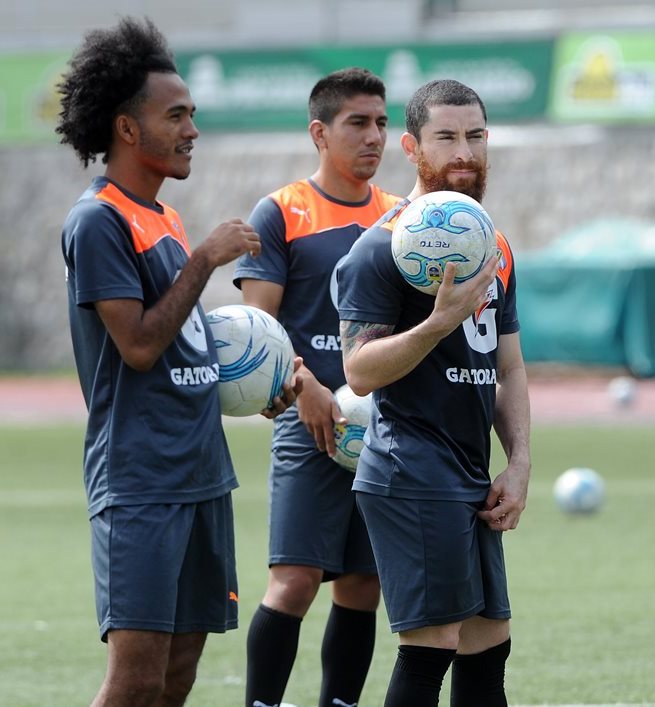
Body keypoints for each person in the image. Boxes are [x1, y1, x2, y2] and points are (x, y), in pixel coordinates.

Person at [56, 17, 294, 706]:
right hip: (141, 478)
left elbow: (186, 350)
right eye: (177, 115)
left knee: (180, 670)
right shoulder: (98, 219)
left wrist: (259, 384)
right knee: (134, 679)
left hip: (199, 470)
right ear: (128, 130)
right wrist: (206, 258)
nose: (193, 129)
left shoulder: (163, 214)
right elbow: (137, 345)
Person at [335, 79, 531, 707]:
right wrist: (437, 323)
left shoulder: (492, 244)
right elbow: (359, 371)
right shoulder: (382, 246)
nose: (464, 152)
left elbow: (509, 368)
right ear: (412, 148)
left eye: (474, 136)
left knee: (488, 641)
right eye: (446, 137)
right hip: (410, 469)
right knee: (430, 649)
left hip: (471, 471)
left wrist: (521, 461)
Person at [234, 67, 403, 707]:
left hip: (382, 426)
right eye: (358, 123)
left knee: (362, 584)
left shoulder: (400, 217)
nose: (374, 137)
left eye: (382, 123)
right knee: (296, 581)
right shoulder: (281, 211)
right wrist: (303, 384)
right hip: (307, 419)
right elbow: (257, 329)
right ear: (319, 132)